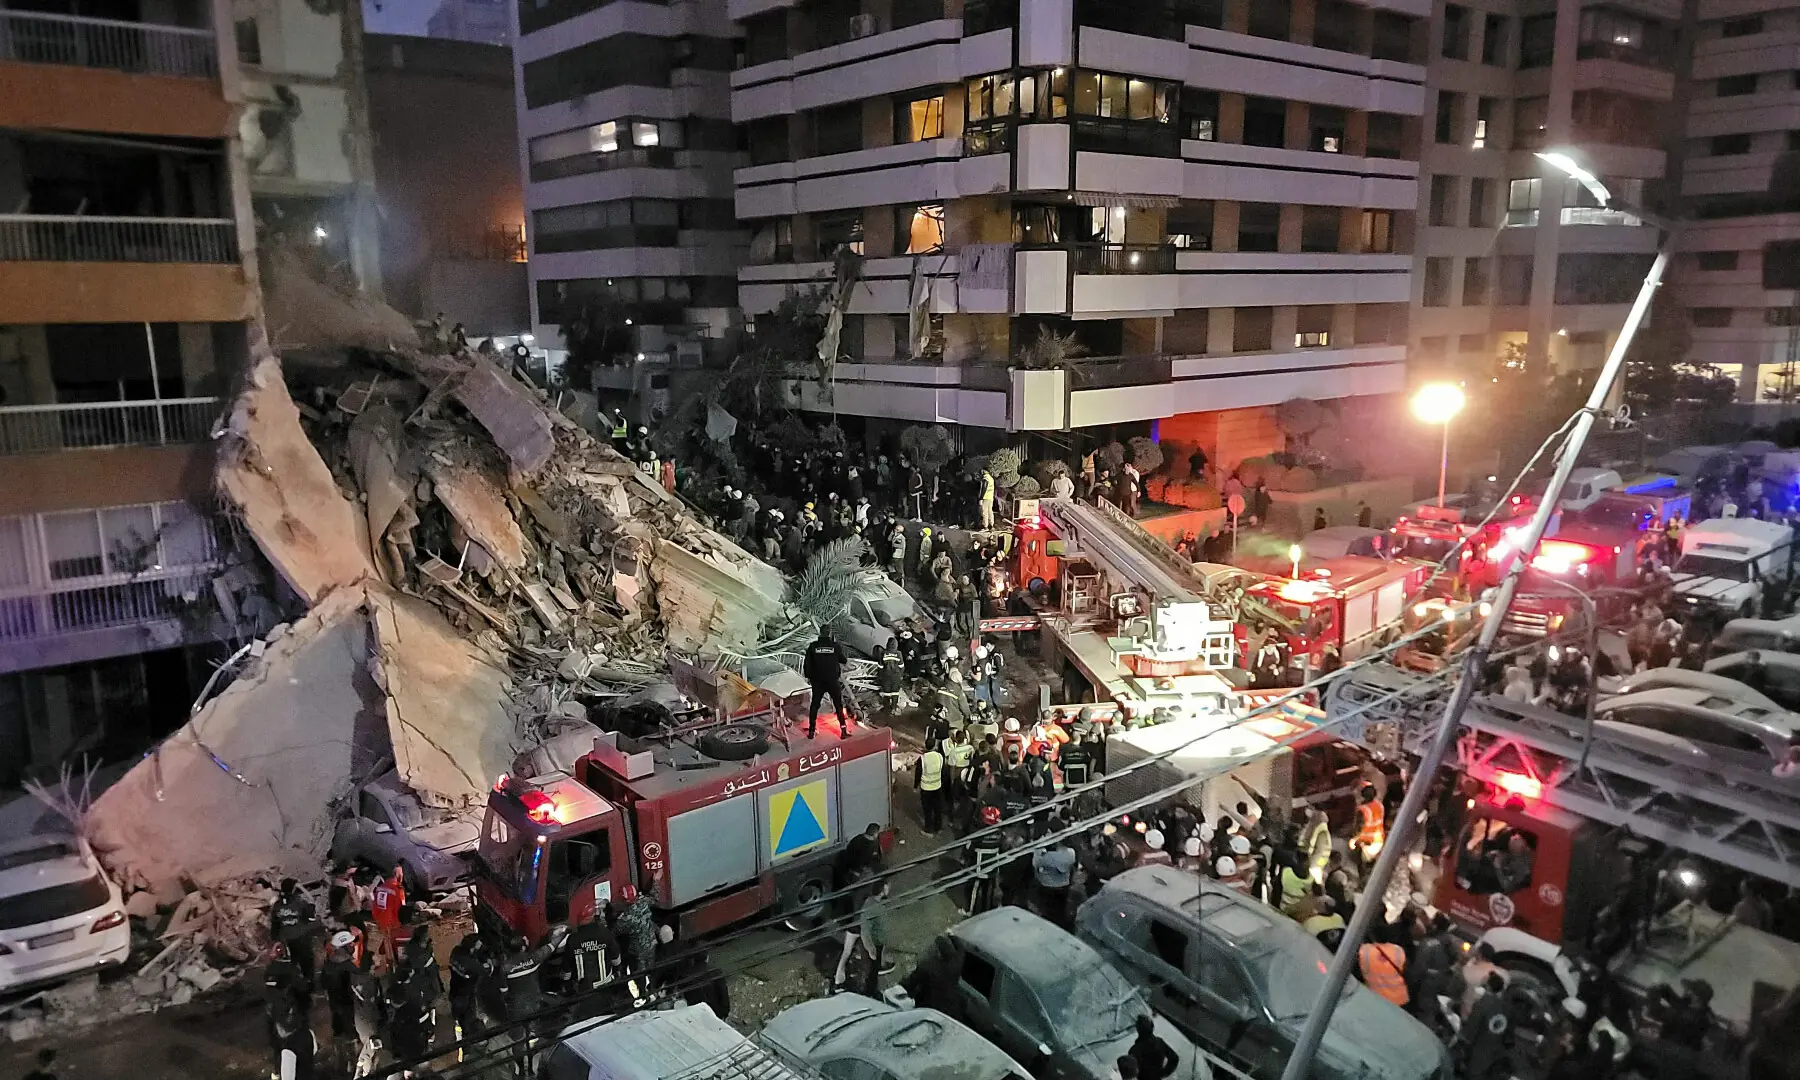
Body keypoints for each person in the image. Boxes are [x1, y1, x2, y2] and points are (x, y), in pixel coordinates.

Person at [803, 627, 854, 739]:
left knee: (815, 705)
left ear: (820, 633)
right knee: (838, 706)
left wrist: (809, 677)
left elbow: (807, 664)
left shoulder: (813, 646)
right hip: (832, 681)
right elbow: (843, 660)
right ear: (830, 633)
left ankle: (811, 731)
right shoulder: (835, 647)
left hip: (818, 682)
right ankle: (843, 731)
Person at [447, 928, 494, 1041]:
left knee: (459, 1017)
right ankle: (469, 1043)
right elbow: (487, 970)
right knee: (469, 1023)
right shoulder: (472, 965)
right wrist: (489, 961)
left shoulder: (456, 952)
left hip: (454, 992)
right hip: (466, 996)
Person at [270, 877, 319, 985]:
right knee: (307, 962)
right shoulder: (299, 903)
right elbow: (311, 915)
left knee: (293, 961)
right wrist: (302, 888)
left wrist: (276, 940)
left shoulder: (277, 905)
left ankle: (293, 982)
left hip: (287, 940)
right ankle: (308, 983)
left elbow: (275, 925)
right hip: (302, 937)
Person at [321, 930, 361, 1046]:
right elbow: (359, 971)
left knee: (336, 1014)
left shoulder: (330, 961)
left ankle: (337, 1032)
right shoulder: (346, 963)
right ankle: (350, 1035)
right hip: (345, 999)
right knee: (347, 1016)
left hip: (334, 999)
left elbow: (323, 981)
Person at [614, 885, 658, 985]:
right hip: (651, 943)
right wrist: (655, 881)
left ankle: (644, 995)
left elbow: (616, 930)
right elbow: (654, 896)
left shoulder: (626, 918)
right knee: (652, 969)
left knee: (640, 974)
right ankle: (653, 989)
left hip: (638, 950)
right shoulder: (644, 902)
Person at [1032, 837, 1077, 928]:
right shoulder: (1071, 853)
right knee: (1061, 910)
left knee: (1047, 912)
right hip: (1064, 887)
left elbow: (1035, 864)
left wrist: (1038, 851)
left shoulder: (1048, 856)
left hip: (1047, 887)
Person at [370, 864, 406, 972]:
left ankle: (387, 963)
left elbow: (375, 905)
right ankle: (394, 968)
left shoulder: (381, 887)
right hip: (393, 923)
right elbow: (401, 909)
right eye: (401, 873)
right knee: (393, 947)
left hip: (381, 920)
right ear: (397, 874)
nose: (402, 875)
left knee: (387, 942)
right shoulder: (398, 889)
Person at [1358, 935, 1409, 1007]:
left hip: (1375, 999)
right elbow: (1407, 971)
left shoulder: (1364, 950)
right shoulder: (1398, 950)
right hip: (1399, 999)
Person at [1128, 1014, 1177, 1080]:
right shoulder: (1159, 1042)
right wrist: (1163, 1073)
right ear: (1152, 1027)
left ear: (1138, 1029)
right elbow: (1174, 1058)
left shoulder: (1134, 1051)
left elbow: (1130, 1075)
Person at [915, 740, 946, 833]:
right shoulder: (940, 756)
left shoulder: (922, 759)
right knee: (937, 809)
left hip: (926, 788)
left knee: (927, 810)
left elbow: (918, 773)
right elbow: (943, 771)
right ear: (934, 746)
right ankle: (938, 827)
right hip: (937, 786)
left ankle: (928, 829)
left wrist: (915, 785)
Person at [1351, 785, 1385, 868]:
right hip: (1379, 840)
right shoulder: (1380, 805)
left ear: (1363, 796)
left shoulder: (1363, 810)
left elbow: (1359, 828)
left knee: (1365, 866)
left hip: (1367, 843)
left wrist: (1353, 840)